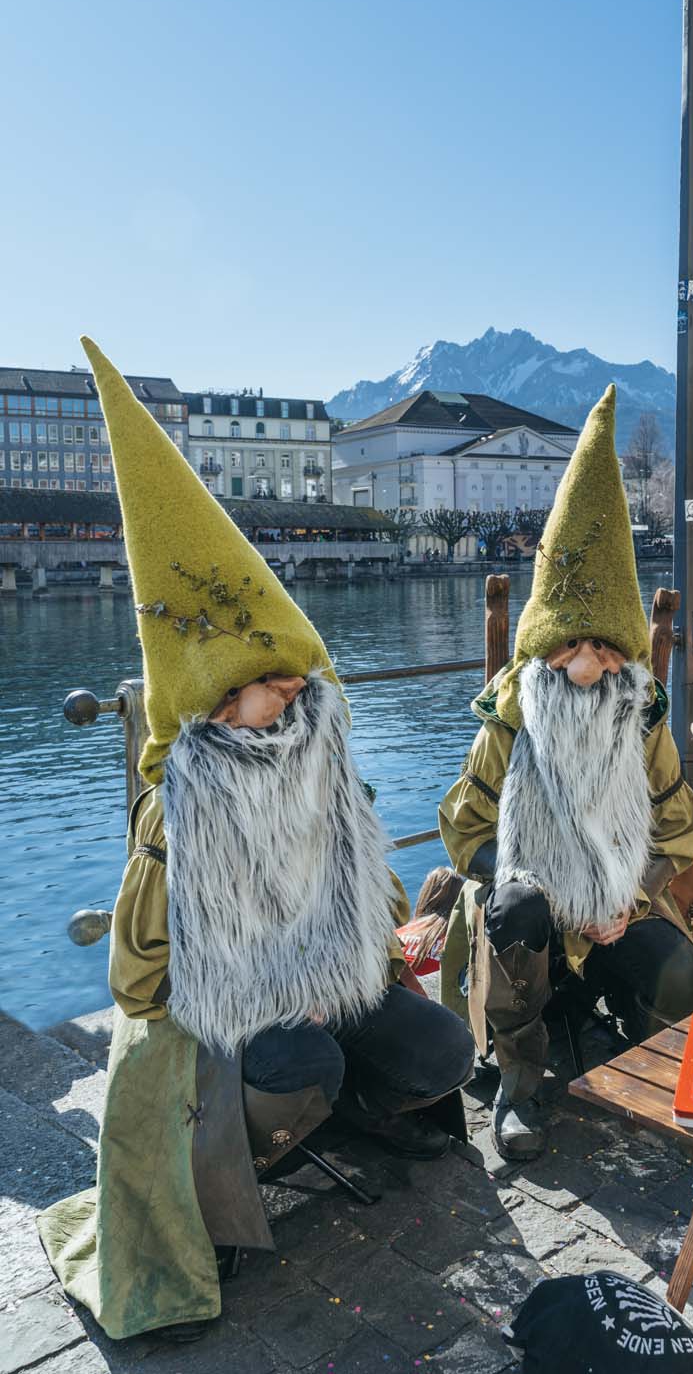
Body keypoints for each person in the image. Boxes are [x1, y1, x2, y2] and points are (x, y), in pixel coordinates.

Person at [38, 339, 474, 1343]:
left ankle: (346, 1114)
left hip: (326, 988)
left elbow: (375, 900)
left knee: (442, 1048)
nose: (297, 696)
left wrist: (356, 964)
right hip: (223, 1022)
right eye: (275, 683)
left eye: (295, 680)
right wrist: (260, 999)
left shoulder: (322, 764)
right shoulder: (175, 809)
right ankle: (225, 1189)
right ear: (221, 700)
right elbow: (138, 981)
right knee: (297, 1062)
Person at [437, 387, 693, 1162]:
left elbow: (677, 830)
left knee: (681, 971)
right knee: (518, 909)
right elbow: (464, 835)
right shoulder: (509, 715)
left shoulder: (643, 714)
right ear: (544, 647)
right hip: (530, 909)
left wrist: (631, 894)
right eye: (571, 650)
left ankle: (651, 1059)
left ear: (624, 650)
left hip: (618, 902)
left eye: (604, 649)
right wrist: (546, 889)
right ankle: (524, 1087)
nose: (588, 668)